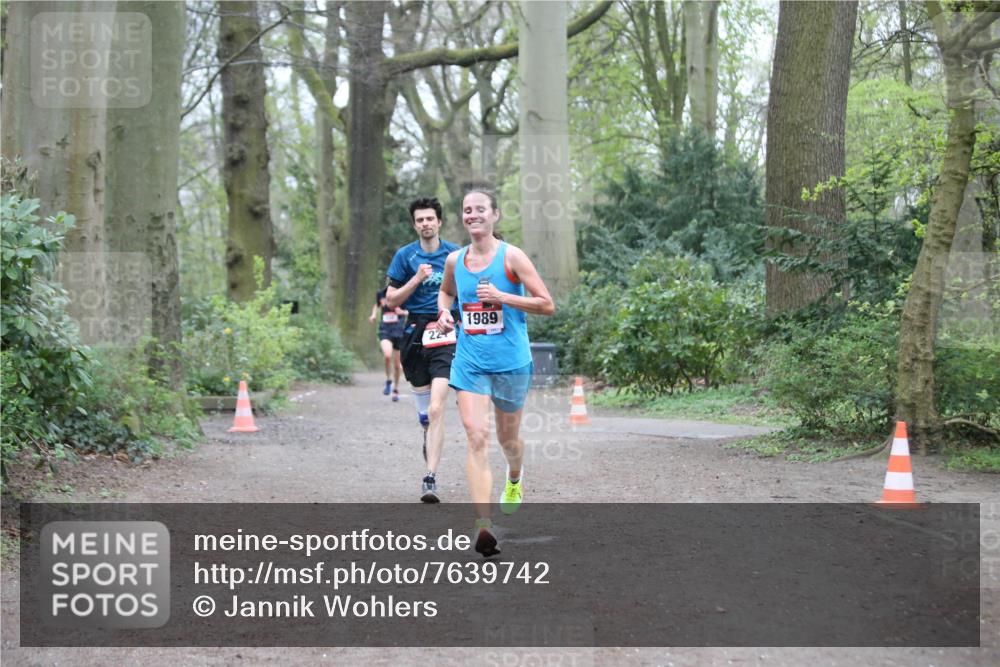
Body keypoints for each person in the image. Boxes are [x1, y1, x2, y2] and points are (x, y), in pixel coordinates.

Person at [436, 188, 554, 557]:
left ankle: (515, 477)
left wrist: (503, 298)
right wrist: (443, 313)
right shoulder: (455, 260)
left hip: (511, 363)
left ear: (495, 215)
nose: (473, 215)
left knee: (508, 440)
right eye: (467, 210)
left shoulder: (511, 257)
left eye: (480, 210)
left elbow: (547, 305)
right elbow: (446, 293)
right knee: (476, 435)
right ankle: (483, 524)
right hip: (470, 361)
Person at [386, 197, 461, 503]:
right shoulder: (405, 257)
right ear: (414, 224)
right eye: (420, 220)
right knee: (424, 412)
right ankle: (425, 428)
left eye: (430, 218)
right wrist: (416, 279)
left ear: (439, 222)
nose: (426, 224)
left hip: (445, 328)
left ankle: (429, 478)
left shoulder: (455, 254)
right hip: (414, 332)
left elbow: (467, 291)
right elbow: (391, 301)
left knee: (437, 408)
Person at [368, 288, 407, 401]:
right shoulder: (381, 293)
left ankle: (395, 389)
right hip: (385, 329)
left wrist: (403, 312)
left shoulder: (405, 292)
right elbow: (376, 305)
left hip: (399, 331)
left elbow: (411, 311)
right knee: (387, 355)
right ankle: (388, 380)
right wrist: (373, 315)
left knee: (397, 365)